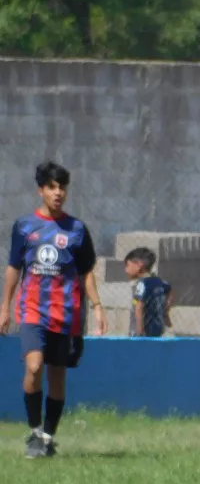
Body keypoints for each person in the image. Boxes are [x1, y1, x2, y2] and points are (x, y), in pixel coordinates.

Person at [0, 161, 106, 458]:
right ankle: (34, 431)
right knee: (34, 368)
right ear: (41, 191)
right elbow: (13, 268)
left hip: (67, 313)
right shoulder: (24, 226)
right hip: (33, 310)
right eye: (52, 187)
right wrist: (4, 308)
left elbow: (86, 272)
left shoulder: (77, 229)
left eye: (62, 187)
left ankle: (47, 436)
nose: (58, 193)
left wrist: (98, 307)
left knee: (57, 374)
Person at [123, 246, 173, 338]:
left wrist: (140, 332)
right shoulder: (158, 281)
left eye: (127, 265)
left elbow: (139, 307)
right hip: (157, 330)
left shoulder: (142, 284)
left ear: (139, 265)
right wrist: (165, 311)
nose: (126, 270)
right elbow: (169, 289)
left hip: (141, 333)